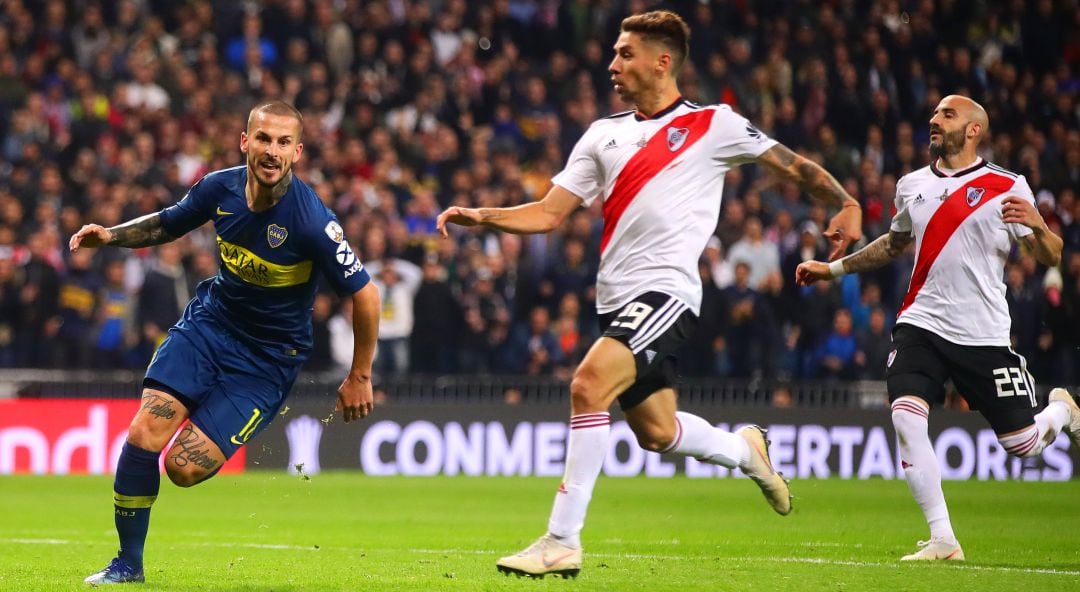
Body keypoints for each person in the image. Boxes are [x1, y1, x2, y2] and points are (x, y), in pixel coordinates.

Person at [437, 11, 863, 579]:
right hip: (615, 300)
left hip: (666, 292)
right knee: (657, 433)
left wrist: (848, 204)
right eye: (614, 54)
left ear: (662, 61)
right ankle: (745, 452)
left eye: (625, 54)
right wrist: (483, 215)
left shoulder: (715, 124)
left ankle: (561, 540)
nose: (612, 64)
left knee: (588, 385)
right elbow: (547, 213)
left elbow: (793, 166)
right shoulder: (601, 135)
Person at [70, 101, 381, 584]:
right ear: (245, 141)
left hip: (267, 360)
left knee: (182, 467)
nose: (271, 151)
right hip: (209, 327)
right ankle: (127, 565)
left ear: (297, 152)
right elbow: (168, 222)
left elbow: (366, 294)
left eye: (283, 143)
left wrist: (359, 374)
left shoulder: (313, 222)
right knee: (143, 433)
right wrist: (110, 235)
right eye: (263, 139)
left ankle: (212, 412)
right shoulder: (220, 187)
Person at [796, 94, 1080, 561]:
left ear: (973, 130)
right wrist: (833, 271)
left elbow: (1050, 255)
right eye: (934, 113)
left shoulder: (1007, 185)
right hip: (921, 323)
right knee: (906, 417)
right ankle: (943, 538)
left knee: (1024, 445)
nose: (933, 119)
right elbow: (893, 243)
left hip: (983, 335)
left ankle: (1061, 411)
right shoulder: (911, 185)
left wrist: (1040, 227)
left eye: (946, 114)